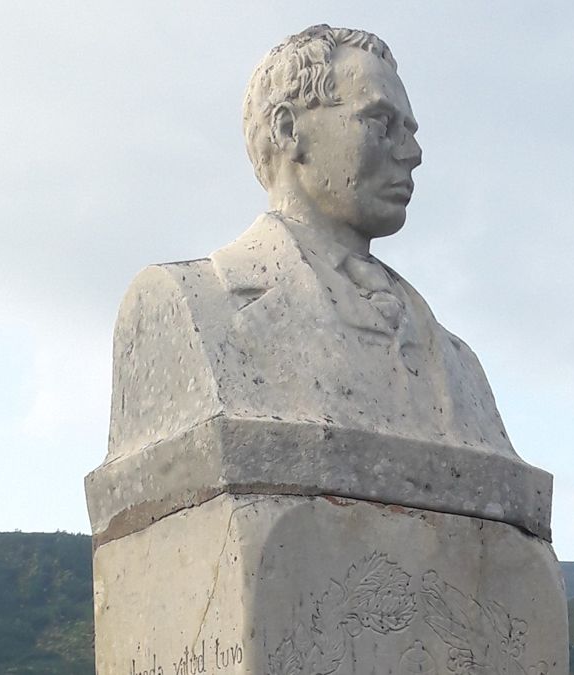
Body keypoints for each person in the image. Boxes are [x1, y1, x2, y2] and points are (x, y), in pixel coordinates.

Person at [106, 25, 516, 461]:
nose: (412, 152)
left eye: (409, 130)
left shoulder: (460, 366)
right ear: (288, 130)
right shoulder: (182, 306)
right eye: (381, 122)